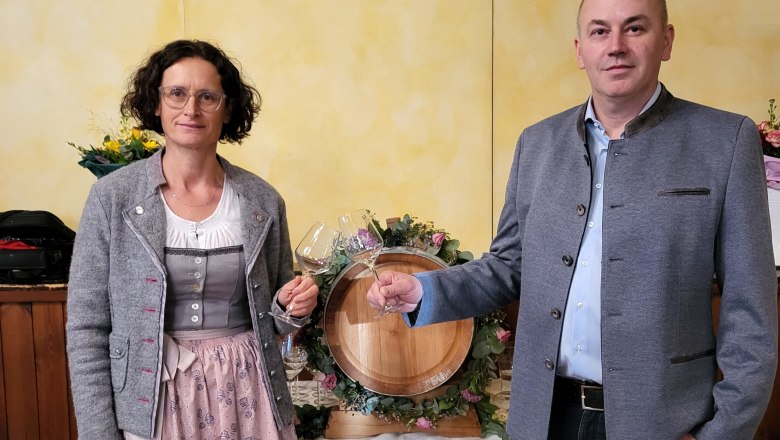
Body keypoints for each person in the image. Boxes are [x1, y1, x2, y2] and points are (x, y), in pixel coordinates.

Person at [367, 0, 778, 438]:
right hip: (544, 418)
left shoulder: (725, 142)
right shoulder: (537, 144)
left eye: (634, 28)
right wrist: (423, 290)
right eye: (600, 32)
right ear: (580, 50)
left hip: (662, 423)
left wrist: (721, 435)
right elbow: (507, 266)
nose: (616, 46)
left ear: (667, 41)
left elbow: (751, 312)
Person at [66, 39, 318, 440]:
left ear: (228, 108)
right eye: (177, 93)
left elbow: (276, 320)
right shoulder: (112, 197)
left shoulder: (263, 201)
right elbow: (86, 327)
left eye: (207, 97)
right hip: (152, 401)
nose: (191, 109)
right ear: (156, 103)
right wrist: (98, 431)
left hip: (246, 393)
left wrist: (293, 309)